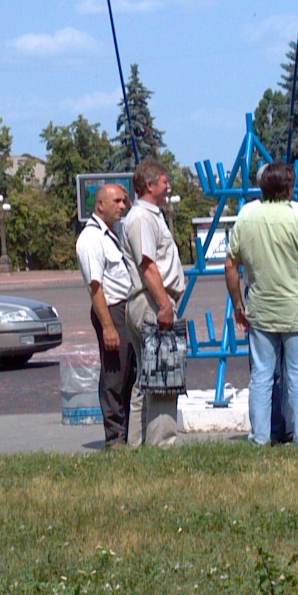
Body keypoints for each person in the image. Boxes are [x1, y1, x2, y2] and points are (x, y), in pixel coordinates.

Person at [225, 161, 298, 446]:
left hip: (260, 308)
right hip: (295, 308)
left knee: (261, 376)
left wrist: (238, 304)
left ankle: (260, 437)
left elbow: (231, 265)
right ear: (290, 187)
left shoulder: (246, 217)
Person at [121, 158, 186, 448]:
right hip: (151, 301)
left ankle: (138, 444)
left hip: (152, 300)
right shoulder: (141, 218)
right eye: (164, 181)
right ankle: (161, 445)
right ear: (149, 185)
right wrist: (164, 305)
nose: (168, 186)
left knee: (146, 378)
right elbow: (148, 266)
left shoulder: (150, 215)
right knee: (163, 375)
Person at [75, 180, 136, 447]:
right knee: (115, 375)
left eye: (124, 201)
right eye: (117, 202)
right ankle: (114, 437)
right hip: (111, 310)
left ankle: (128, 432)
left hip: (126, 308)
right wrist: (108, 327)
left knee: (129, 374)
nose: (122, 206)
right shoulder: (91, 239)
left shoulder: (114, 232)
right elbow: (95, 286)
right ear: (100, 205)